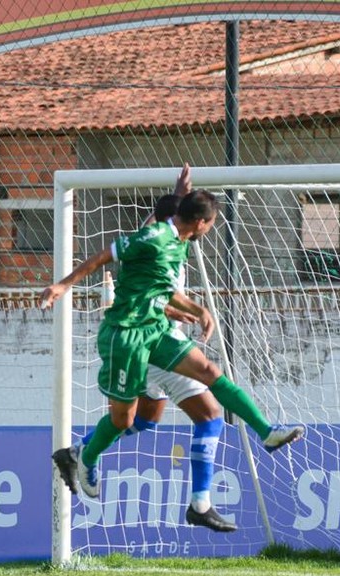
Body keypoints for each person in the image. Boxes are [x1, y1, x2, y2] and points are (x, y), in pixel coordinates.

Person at [40, 175, 305, 514]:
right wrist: (63, 286)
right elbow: (103, 257)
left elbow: (167, 291)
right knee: (123, 420)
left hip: (157, 330)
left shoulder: (178, 236)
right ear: (200, 223)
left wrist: (200, 310)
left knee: (210, 371)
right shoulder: (154, 238)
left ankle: (267, 433)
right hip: (126, 335)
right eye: (211, 223)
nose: (211, 228)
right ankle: (85, 456)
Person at [67, 170, 234, 532]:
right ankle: (201, 503)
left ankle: (82, 450)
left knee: (143, 420)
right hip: (159, 345)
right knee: (210, 415)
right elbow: (155, 299)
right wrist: (186, 313)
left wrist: (177, 192)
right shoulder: (160, 248)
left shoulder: (158, 241)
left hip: (148, 345)